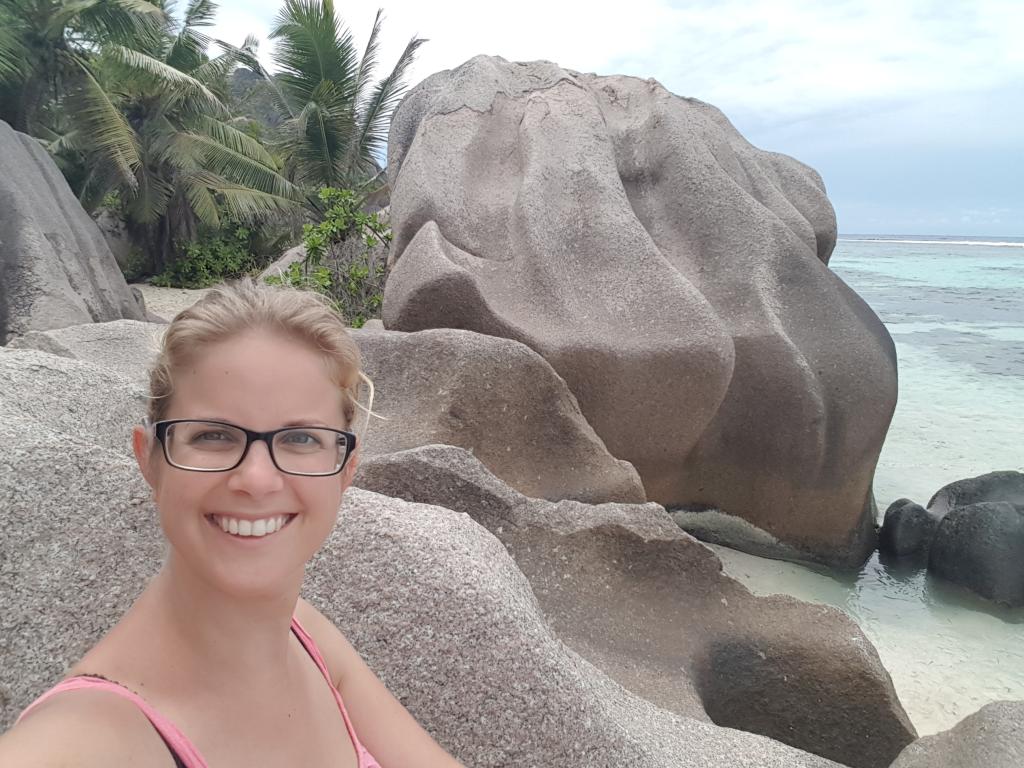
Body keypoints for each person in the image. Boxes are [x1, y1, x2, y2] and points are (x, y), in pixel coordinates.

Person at [0, 279, 463, 767]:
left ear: (347, 469)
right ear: (149, 461)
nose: (257, 479)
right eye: (214, 435)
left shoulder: (304, 638)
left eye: (301, 439)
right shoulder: (83, 742)